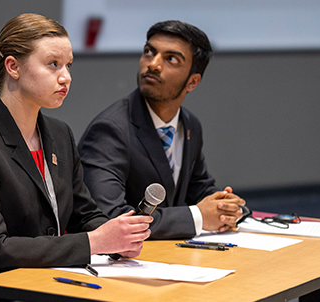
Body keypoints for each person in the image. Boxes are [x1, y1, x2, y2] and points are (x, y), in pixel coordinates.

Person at [0, 13, 152, 301]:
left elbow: (86, 216)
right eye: (53, 64)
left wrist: (117, 236)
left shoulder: (60, 134)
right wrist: (94, 242)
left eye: (69, 65)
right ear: (13, 67)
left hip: (43, 284)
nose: (66, 76)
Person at [77, 20, 246, 240]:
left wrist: (226, 207)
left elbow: (200, 187)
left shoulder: (190, 125)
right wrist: (198, 217)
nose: (154, 64)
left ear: (192, 82)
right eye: (149, 52)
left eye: (171, 59)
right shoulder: (110, 129)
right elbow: (108, 218)